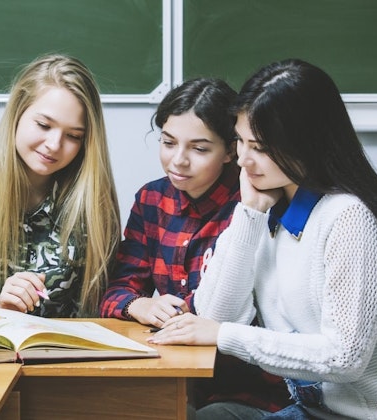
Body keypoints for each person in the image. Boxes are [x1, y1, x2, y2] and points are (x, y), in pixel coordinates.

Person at [148, 59, 377, 419]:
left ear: (309, 143)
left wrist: (224, 335)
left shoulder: (349, 217)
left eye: (262, 147)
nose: (244, 161)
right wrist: (248, 215)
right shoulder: (266, 207)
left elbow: (344, 359)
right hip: (311, 410)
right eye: (241, 142)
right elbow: (216, 313)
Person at [100, 78, 290, 418]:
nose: (179, 161)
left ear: (232, 150)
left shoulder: (256, 203)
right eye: (168, 143)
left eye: (199, 149)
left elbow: (246, 311)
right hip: (177, 376)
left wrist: (179, 314)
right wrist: (138, 305)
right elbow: (118, 288)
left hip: (252, 386)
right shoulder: (152, 199)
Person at [0, 54, 120, 318]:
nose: (54, 144)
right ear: (17, 113)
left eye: (73, 136)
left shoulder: (90, 201)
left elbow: (97, 304)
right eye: (43, 125)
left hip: (59, 352)